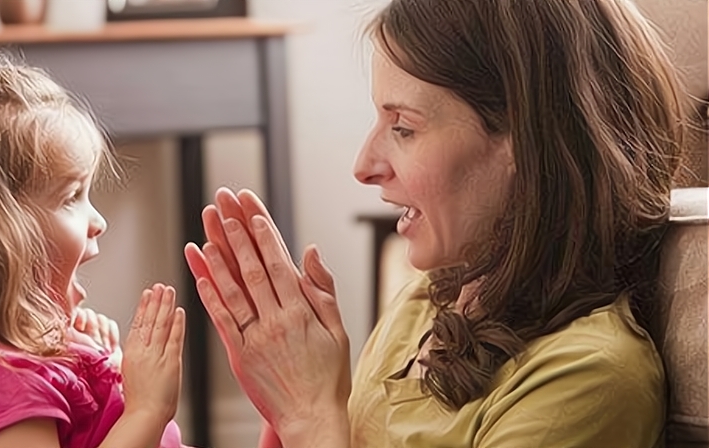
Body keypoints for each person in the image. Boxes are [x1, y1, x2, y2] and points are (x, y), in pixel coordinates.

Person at [184, 0, 689, 446]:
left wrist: (311, 415)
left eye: (403, 128)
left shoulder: (589, 379)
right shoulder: (422, 308)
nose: (364, 164)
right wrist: (287, 400)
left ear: (527, 141)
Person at [0, 57, 187, 448]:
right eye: (71, 196)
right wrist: (146, 409)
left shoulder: (38, 355)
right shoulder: (1, 382)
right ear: (1, 237)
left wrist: (110, 370)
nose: (98, 220)